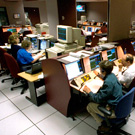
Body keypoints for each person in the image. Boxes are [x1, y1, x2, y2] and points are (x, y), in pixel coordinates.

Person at [83, 60, 123, 130]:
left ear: (103, 71)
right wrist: (101, 76)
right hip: (120, 105)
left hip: (113, 110)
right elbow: (109, 81)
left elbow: (98, 99)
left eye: (100, 69)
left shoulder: (108, 83)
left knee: (89, 106)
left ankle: (104, 124)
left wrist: (89, 91)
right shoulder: (112, 75)